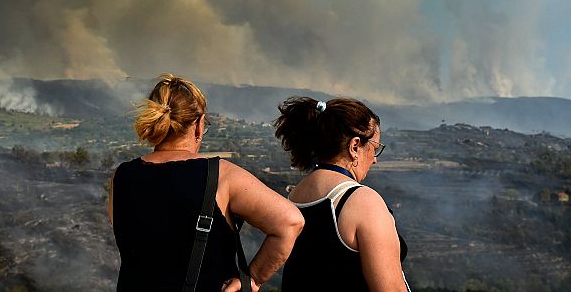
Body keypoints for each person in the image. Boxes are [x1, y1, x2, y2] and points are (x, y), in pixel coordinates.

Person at [108, 74, 303, 292]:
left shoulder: (122, 176)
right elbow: (291, 222)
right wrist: (254, 279)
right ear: (199, 125)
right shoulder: (221, 176)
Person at [275, 97, 410, 292]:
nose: (374, 160)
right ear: (355, 146)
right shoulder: (363, 202)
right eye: (374, 148)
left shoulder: (295, 195)